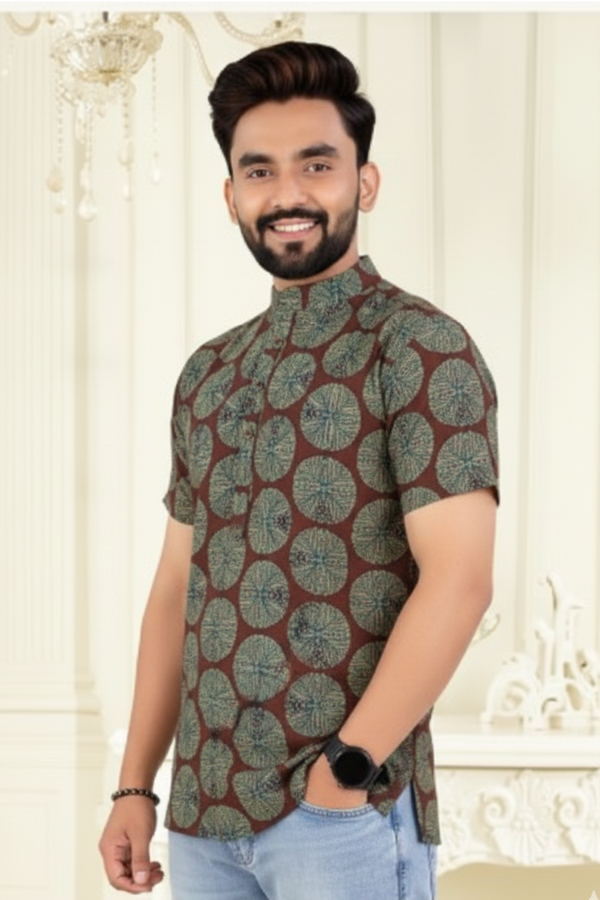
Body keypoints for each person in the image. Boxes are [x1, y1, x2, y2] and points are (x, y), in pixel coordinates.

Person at [99, 40, 499, 900]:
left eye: (317, 165)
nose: (288, 194)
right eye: (260, 171)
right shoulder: (208, 372)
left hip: (340, 820)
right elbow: (176, 588)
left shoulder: (420, 347)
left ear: (366, 183)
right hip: (202, 820)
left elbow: (460, 580)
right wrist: (135, 787)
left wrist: (345, 773)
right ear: (232, 197)